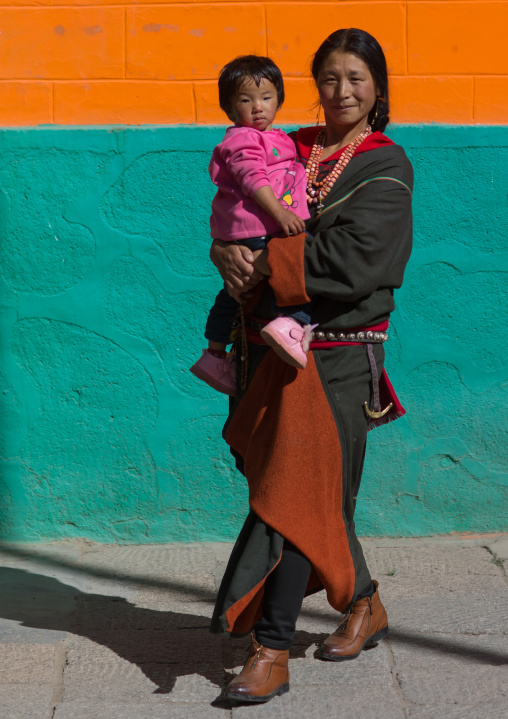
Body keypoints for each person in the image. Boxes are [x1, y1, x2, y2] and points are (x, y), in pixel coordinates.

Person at [208, 28, 413, 704]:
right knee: (307, 494)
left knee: (292, 499)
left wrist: (265, 261)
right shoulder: (285, 145)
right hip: (268, 348)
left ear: (378, 87)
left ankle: (271, 648)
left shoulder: (386, 166)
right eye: (328, 77)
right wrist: (222, 250)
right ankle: (365, 601)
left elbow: (360, 264)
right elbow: (239, 208)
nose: (342, 91)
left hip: (341, 355)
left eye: (356, 77)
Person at [190, 56, 316, 397]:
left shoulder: (277, 138)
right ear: (230, 108)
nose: (257, 107)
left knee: (235, 292)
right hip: (258, 227)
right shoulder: (243, 139)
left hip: (249, 229)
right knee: (290, 270)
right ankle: (290, 323)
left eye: (266, 97)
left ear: (279, 99)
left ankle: (215, 353)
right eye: (246, 100)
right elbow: (252, 178)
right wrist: (282, 214)